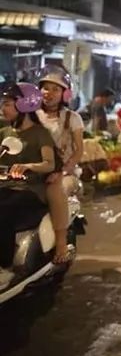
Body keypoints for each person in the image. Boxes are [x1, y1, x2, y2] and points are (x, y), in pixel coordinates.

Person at [0, 83, 61, 287]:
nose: (2, 108)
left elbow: (49, 164)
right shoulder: (5, 131)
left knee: (3, 211)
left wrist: (28, 166)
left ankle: (4, 268)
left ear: (24, 105)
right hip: (5, 187)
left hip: (30, 190)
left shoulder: (39, 133)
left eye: (7, 104)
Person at [37, 66, 84, 263]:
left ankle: (62, 242)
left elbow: (79, 150)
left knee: (56, 189)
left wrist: (63, 171)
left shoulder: (72, 118)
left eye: (55, 89)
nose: (49, 93)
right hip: (37, 170)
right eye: (45, 88)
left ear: (65, 94)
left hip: (65, 172)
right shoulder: (33, 116)